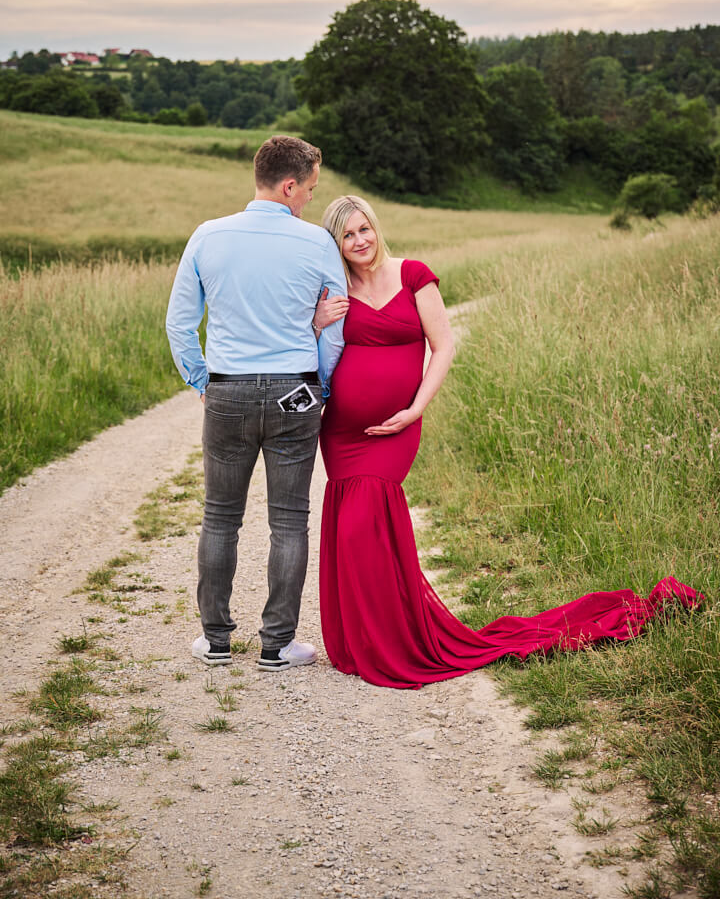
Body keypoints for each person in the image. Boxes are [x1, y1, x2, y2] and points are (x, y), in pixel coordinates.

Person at [314, 195, 702, 690]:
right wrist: (317, 321)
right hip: (344, 433)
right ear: (337, 243)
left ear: (376, 227)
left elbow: (444, 345)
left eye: (364, 229)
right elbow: (313, 351)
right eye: (347, 235)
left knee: (364, 525)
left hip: (396, 429)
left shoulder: (412, 275)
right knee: (351, 532)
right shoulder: (335, 290)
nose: (360, 241)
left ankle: (395, 641)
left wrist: (416, 409)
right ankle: (360, 640)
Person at [165, 136, 348, 671]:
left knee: (220, 517)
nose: (311, 200)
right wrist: (323, 388)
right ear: (289, 185)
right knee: (289, 520)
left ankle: (216, 640)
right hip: (297, 392)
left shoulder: (207, 236)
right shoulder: (317, 245)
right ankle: (277, 644)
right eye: (310, 190)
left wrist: (203, 380)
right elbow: (334, 330)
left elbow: (180, 324)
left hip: (227, 388)